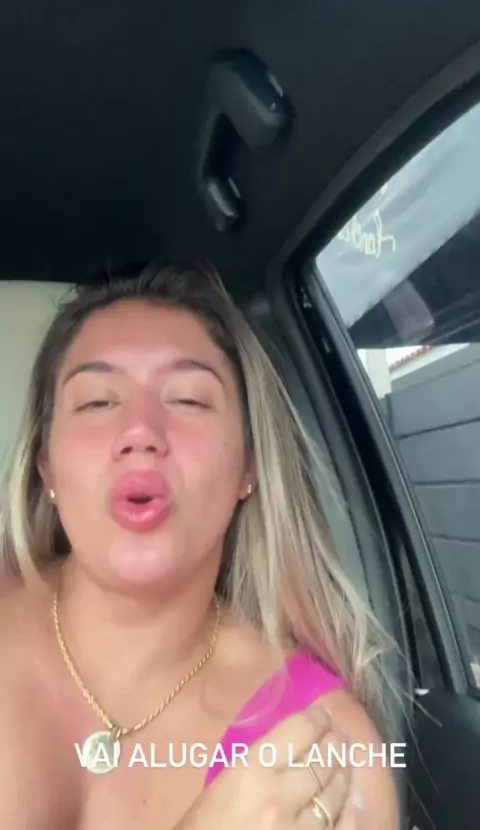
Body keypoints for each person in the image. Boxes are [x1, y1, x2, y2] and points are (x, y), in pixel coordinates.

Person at [0, 261, 402, 829]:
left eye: (189, 399)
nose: (140, 432)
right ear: (46, 466)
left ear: (249, 467)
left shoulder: (325, 756)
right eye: (97, 402)